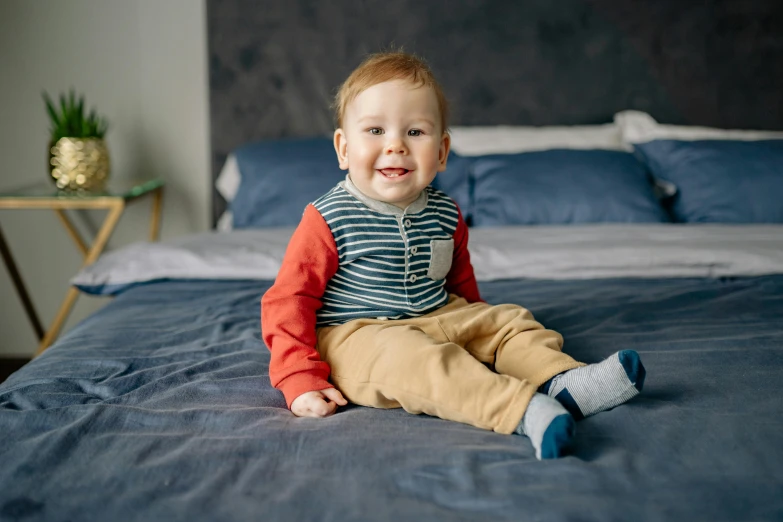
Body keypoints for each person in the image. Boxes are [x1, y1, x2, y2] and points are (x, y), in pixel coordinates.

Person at [261, 51, 645, 460]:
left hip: (439, 313)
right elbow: (288, 301)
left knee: (510, 321)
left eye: (415, 132)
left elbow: (461, 284)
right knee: (416, 362)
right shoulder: (327, 218)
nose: (394, 145)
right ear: (343, 148)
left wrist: (479, 330)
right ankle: (521, 409)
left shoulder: (445, 212)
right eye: (374, 130)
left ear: (442, 151)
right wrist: (298, 376)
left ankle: (562, 379)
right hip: (357, 333)